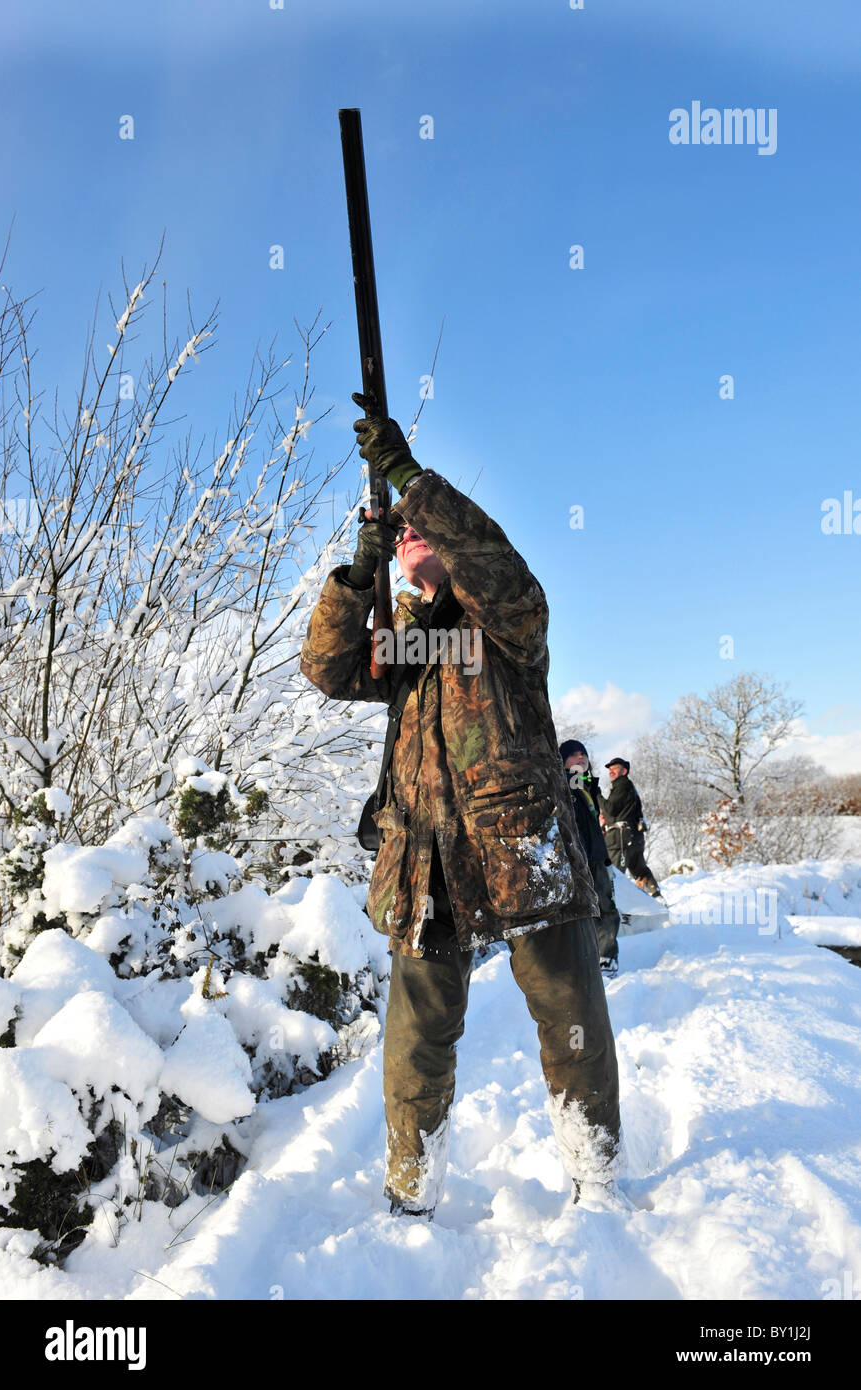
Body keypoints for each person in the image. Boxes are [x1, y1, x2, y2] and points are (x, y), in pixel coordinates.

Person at [299, 394, 622, 1218]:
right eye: (401, 527)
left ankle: (596, 1180)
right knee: (415, 1042)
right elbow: (327, 668)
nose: (408, 529)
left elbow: (499, 565)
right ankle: (410, 1195)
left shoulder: (509, 621)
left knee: (570, 1023)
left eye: (418, 526)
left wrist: (410, 479)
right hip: (425, 863)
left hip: (523, 854)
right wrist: (361, 567)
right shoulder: (406, 642)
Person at [559, 739, 621, 976]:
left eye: (583, 754)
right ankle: (580, 961)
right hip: (575, 861)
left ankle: (606, 958)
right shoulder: (562, 786)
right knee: (579, 912)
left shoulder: (587, 787)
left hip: (596, 857)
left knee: (605, 907)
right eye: (573, 755)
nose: (580, 758)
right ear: (563, 761)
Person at [598, 757, 662, 899]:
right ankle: (656, 896)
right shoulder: (629, 788)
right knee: (640, 870)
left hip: (620, 840)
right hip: (634, 838)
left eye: (615, 768)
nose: (611, 771)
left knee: (613, 874)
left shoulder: (622, 785)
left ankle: (617, 907)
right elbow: (620, 813)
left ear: (624, 771)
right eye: (609, 769)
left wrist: (597, 795)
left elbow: (611, 809)